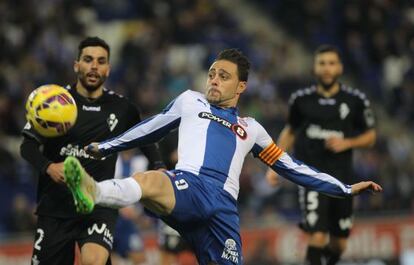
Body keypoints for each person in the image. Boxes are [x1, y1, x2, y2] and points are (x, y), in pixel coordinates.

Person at [63, 48, 382, 265]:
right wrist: (106, 146)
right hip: (190, 184)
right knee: (151, 182)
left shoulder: (252, 128)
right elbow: (150, 128)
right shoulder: (190, 102)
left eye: (224, 76)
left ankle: (98, 192)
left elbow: (291, 167)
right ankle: (93, 191)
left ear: (241, 86)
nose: (214, 79)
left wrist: (343, 188)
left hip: (223, 212)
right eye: (212, 73)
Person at [20, 37, 165, 265]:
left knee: (93, 261)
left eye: (101, 61)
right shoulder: (54, 102)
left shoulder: (123, 108)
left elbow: (146, 139)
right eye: (88, 60)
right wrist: (48, 167)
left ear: (108, 69)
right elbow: (27, 146)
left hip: (99, 203)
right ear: (76, 65)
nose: (94, 66)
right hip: (56, 207)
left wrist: (159, 167)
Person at [265, 44, 377, 265]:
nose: (327, 68)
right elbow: (290, 131)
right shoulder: (301, 100)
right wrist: (274, 163)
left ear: (340, 68)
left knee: (340, 244)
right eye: (322, 63)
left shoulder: (355, 101)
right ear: (314, 68)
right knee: (317, 234)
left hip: (343, 178)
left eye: (331, 63)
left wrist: (348, 142)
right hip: (311, 177)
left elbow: (371, 137)